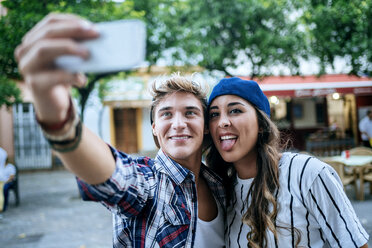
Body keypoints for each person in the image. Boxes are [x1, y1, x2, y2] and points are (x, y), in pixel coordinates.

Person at [15, 13, 225, 247]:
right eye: (166, 114)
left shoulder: (220, 184)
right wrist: (60, 120)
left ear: (206, 126)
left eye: (190, 112)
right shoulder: (148, 182)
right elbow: (115, 176)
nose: (178, 124)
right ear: (154, 128)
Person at [206, 77, 369, 248]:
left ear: (261, 124)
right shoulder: (220, 192)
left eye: (235, 111)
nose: (222, 122)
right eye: (214, 114)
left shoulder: (308, 173)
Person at [0, 148, 16, 212]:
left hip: (8, 182)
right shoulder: (1, 167)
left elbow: (12, 177)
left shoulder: (10, 167)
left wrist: (5, 182)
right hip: (2, 181)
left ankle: (4, 205)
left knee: (5, 188)